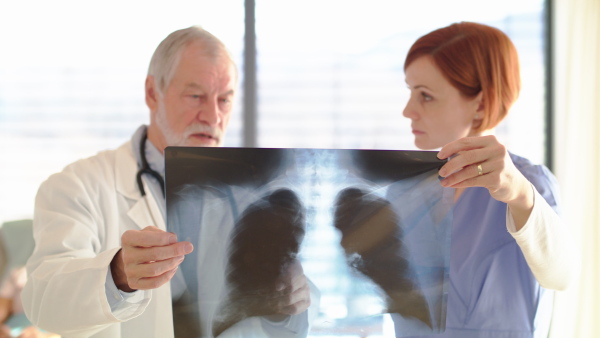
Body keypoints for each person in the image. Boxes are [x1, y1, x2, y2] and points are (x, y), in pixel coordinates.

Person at [22, 26, 315, 338]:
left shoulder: (250, 197)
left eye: (224, 100)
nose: (213, 116)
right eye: (196, 96)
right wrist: (118, 274)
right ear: (152, 93)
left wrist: (288, 306)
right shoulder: (78, 186)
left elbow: (290, 309)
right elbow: (42, 300)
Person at [397, 21, 577, 337]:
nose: (407, 111)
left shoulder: (528, 183)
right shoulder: (408, 189)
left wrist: (521, 194)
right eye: (410, 92)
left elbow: (561, 276)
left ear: (480, 104)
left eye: (425, 96)